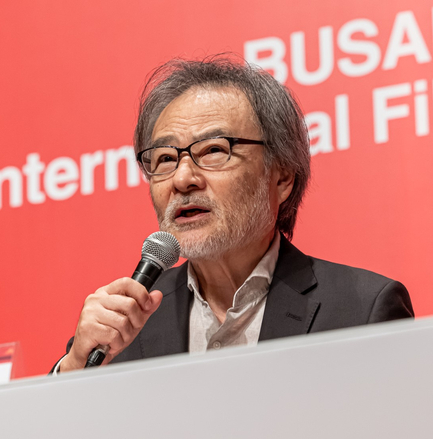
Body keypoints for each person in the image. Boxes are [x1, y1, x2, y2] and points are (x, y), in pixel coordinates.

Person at [52, 55, 413, 373]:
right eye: (164, 158)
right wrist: (73, 369)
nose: (182, 179)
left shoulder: (363, 310)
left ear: (282, 175)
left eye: (213, 150)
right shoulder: (123, 326)